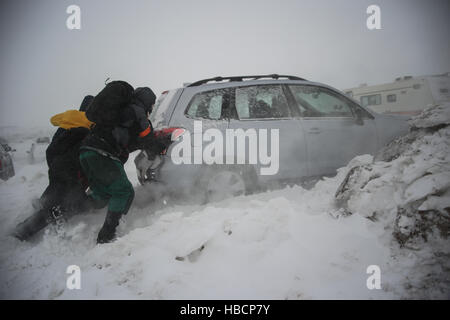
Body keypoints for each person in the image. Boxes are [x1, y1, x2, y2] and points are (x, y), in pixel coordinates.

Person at [80, 86, 169, 244]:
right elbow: (147, 140)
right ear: (147, 102)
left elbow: (130, 141)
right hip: (102, 154)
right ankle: (106, 236)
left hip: (86, 152)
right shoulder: (137, 111)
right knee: (124, 191)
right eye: (152, 105)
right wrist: (163, 142)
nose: (152, 108)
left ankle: (65, 209)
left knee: (102, 195)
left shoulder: (124, 111)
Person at [14, 96, 95, 241]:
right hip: (68, 168)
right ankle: (27, 230)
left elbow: (53, 147)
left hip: (56, 163)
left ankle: (36, 213)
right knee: (68, 201)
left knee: (56, 191)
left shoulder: (69, 121)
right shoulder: (86, 125)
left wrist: (55, 166)